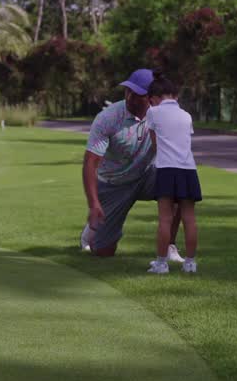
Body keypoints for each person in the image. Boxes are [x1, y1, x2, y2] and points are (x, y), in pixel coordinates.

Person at [80, 69, 183, 258]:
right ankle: (93, 230)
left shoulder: (162, 114)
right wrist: (93, 204)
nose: (130, 97)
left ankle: (169, 246)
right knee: (104, 252)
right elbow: (90, 163)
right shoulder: (108, 118)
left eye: (138, 94)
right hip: (114, 185)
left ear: (151, 97)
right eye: (128, 91)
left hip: (146, 175)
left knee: (179, 189)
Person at [144, 74, 201, 274]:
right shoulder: (186, 115)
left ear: (154, 97)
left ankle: (161, 263)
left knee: (165, 219)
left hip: (167, 169)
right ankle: (190, 263)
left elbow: (154, 143)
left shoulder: (153, 112)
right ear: (175, 95)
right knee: (189, 218)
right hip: (188, 169)